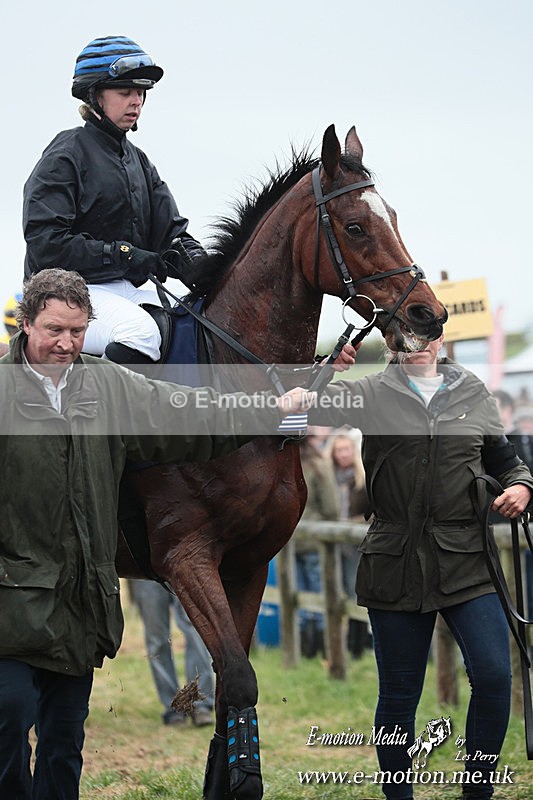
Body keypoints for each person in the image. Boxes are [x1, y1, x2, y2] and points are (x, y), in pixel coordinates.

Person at [0, 268, 309, 800]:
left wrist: (267, 409)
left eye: (77, 332)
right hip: (11, 600)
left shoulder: (107, 384)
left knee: (64, 741)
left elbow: (189, 415)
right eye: (54, 330)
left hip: (79, 603)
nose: (66, 344)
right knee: (9, 718)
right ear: (25, 323)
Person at [308, 334, 533, 800]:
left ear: (440, 339)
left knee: (494, 676)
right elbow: (304, 407)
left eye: (425, 335)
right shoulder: (371, 392)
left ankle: (478, 793)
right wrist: (328, 368)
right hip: (395, 560)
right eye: (405, 338)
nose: (417, 346)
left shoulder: (473, 391)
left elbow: (508, 462)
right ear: (392, 344)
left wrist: (522, 487)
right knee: (399, 693)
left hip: (467, 559)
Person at [23, 35, 205, 365]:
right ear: (96, 96)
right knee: (142, 333)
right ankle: (95, 411)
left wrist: (205, 266)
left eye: (141, 93)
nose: (136, 101)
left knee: (197, 321)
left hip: (124, 289)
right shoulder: (65, 155)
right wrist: (123, 255)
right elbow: (46, 244)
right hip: (63, 295)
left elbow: (173, 233)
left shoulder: (139, 161)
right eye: (125, 92)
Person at [129, 580, 215, 727]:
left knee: (196, 628)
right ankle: (173, 708)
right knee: (156, 639)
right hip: (144, 569)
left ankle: (200, 703)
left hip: (185, 560)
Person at [326, 431, 370, 658]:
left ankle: (358, 645)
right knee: (336, 591)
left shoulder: (361, 478)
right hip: (332, 541)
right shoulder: (329, 477)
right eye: (338, 450)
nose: (343, 454)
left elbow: (370, 513)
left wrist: (351, 523)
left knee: (355, 590)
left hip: (355, 542)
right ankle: (335, 645)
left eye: (346, 449)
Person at [296, 436, 339, 657]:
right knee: (322, 596)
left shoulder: (285, 465)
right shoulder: (318, 465)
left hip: (290, 542)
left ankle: (305, 651)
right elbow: (332, 507)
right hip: (316, 541)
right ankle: (325, 650)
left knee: (299, 598)